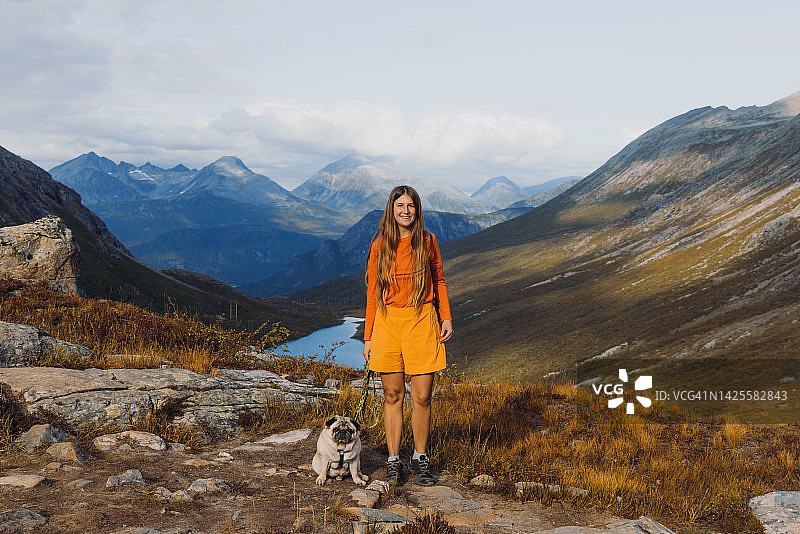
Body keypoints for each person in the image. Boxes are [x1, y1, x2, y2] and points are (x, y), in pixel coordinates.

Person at [362, 184, 453, 487]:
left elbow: (438, 279)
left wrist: (446, 317)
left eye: (410, 206)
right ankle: (392, 461)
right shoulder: (380, 245)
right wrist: (368, 336)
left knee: (423, 396)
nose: (405, 211)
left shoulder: (428, 241)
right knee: (392, 395)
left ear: (417, 210)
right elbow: (373, 292)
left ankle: (419, 457)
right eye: (400, 205)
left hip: (422, 320)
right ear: (392, 209)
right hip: (388, 322)